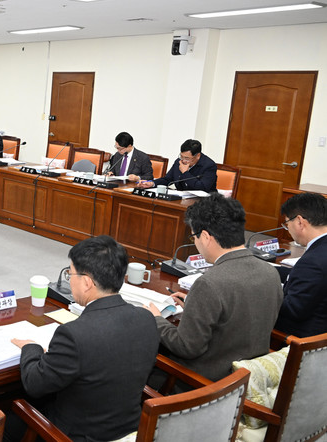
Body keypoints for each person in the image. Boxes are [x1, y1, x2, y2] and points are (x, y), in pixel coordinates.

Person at [8, 236, 159, 442]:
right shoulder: (146, 319)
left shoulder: (74, 334)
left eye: (70, 274)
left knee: (9, 420)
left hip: (77, 436)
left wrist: (31, 348)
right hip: (130, 429)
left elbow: (34, 384)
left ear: (87, 282)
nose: (69, 280)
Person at [147, 194, 282, 382]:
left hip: (206, 384)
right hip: (249, 377)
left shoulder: (209, 283)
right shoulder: (270, 272)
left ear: (205, 236)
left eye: (193, 236)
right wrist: (195, 306)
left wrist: (156, 319)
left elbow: (186, 347)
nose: (195, 242)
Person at [275, 192, 327, 337]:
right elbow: (306, 277)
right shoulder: (320, 251)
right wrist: (269, 270)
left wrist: (263, 291)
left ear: (299, 221)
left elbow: (292, 309)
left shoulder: (313, 261)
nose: (288, 229)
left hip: (301, 339)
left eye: (287, 223)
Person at [138, 139, 217, 192]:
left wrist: (185, 173)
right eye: (181, 156)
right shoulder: (178, 162)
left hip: (203, 204)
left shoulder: (209, 166)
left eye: (187, 158)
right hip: (182, 199)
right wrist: (152, 183)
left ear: (198, 156)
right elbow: (167, 179)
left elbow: (202, 188)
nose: (183, 161)